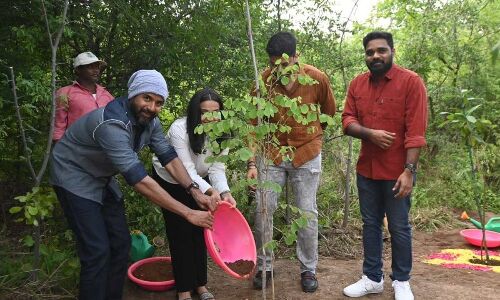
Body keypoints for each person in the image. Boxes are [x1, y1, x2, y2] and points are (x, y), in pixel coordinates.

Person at [50, 70, 216, 300]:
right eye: (146, 98)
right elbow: (139, 180)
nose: (151, 107)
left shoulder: (151, 122)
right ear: (132, 95)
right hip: (73, 175)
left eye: (159, 102)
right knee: (97, 251)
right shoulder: (112, 124)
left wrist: (194, 191)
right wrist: (188, 213)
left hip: (102, 178)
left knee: (121, 244)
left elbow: (168, 157)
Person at [247, 31, 336, 293]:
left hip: (307, 153)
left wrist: (312, 135)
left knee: (306, 213)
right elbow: (254, 125)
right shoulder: (263, 81)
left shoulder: (316, 78)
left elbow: (329, 113)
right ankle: (264, 266)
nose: (279, 70)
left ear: (296, 57)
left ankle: (308, 269)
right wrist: (252, 164)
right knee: (263, 209)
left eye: (284, 64)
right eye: (274, 64)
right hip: (272, 153)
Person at [341, 31, 428, 300]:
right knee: (370, 224)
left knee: (399, 227)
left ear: (392, 51)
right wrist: (369, 134)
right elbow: (347, 120)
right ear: (365, 56)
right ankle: (372, 278)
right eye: (370, 52)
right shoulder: (357, 84)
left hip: (397, 172)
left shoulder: (411, 82)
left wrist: (409, 171)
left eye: (381, 50)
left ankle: (401, 281)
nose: (375, 56)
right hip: (366, 169)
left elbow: (416, 132)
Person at [151, 87, 235, 300]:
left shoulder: (223, 132)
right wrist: (209, 189)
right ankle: (184, 290)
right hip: (172, 178)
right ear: (195, 112)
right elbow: (185, 170)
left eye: (215, 112)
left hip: (200, 179)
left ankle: (201, 285)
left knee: (202, 228)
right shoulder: (180, 129)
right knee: (180, 232)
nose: (210, 117)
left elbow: (217, 168)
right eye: (204, 112)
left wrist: (223, 192)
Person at [53, 51, 114, 142]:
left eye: (97, 66)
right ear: (78, 70)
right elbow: (58, 125)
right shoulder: (64, 93)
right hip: (76, 149)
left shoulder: (106, 95)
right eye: (90, 67)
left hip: (103, 148)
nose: (96, 70)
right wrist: (60, 149)